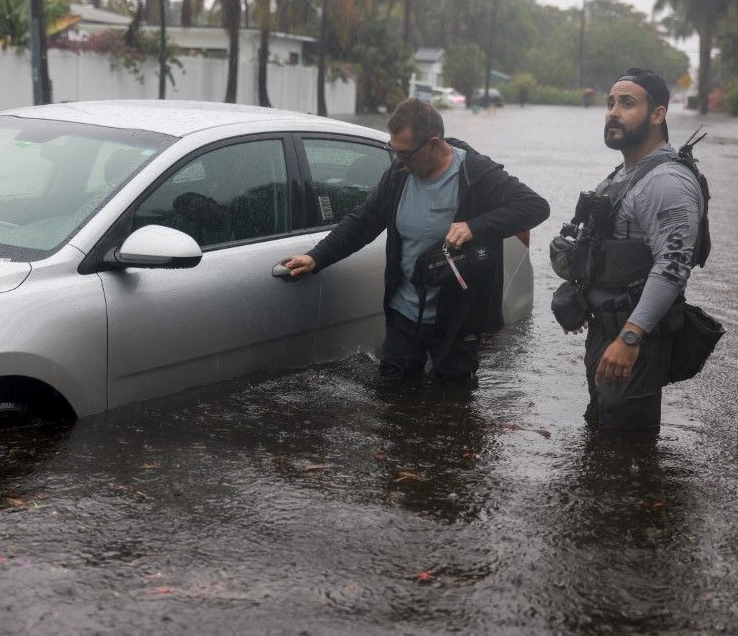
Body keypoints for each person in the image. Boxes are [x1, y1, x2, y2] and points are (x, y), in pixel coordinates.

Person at [284, 99, 549, 379]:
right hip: (404, 314)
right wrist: (317, 256)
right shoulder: (400, 174)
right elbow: (364, 219)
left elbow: (536, 206)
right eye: (394, 151)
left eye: (406, 154)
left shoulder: (476, 174)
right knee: (392, 397)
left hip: (457, 320)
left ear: (434, 144)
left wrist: (476, 226)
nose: (398, 161)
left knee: (453, 406)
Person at [566, 68, 706, 430]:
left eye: (628, 103)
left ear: (658, 114)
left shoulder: (667, 182)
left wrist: (630, 337)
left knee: (626, 446)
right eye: (610, 103)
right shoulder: (621, 174)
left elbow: (673, 265)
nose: (614, 111)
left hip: (636, 337)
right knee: (601, 430)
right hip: (606, 328)